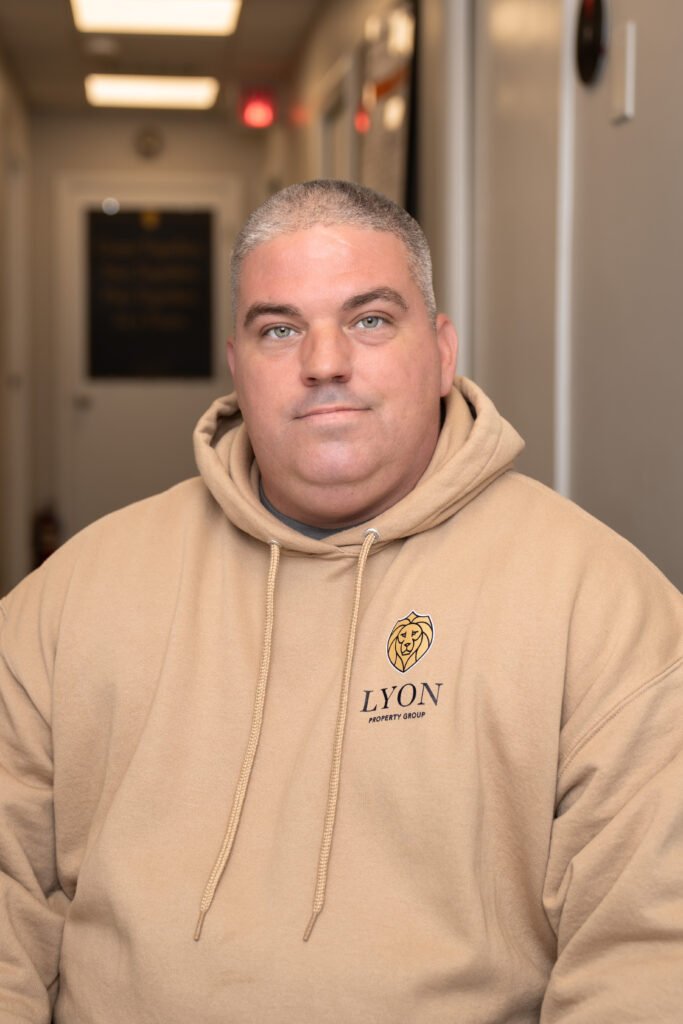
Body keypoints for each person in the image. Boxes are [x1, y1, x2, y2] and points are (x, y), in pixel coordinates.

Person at [0, 179, 681, 1024]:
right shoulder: (74, 596)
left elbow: (648, 950)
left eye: (368, 319)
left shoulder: (602, 606)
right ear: (236, 364)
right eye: (278, 329)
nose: (323, 362)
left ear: (440, 351)